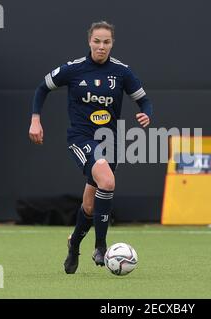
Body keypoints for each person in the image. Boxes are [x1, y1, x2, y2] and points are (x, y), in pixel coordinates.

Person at [29, 21, 153, 274]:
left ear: (112, 43)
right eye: (97, 41)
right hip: (81, 138)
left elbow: (144, 100)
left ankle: (74, 244)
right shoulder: (74, 69)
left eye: (106, 42)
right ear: (89, 42)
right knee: (107, 182)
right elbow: (42, 88)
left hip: (110, 141)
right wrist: (35, 119)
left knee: (89, 205)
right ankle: (101, 246)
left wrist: (146, 114)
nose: (101, 46)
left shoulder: (122, 72)